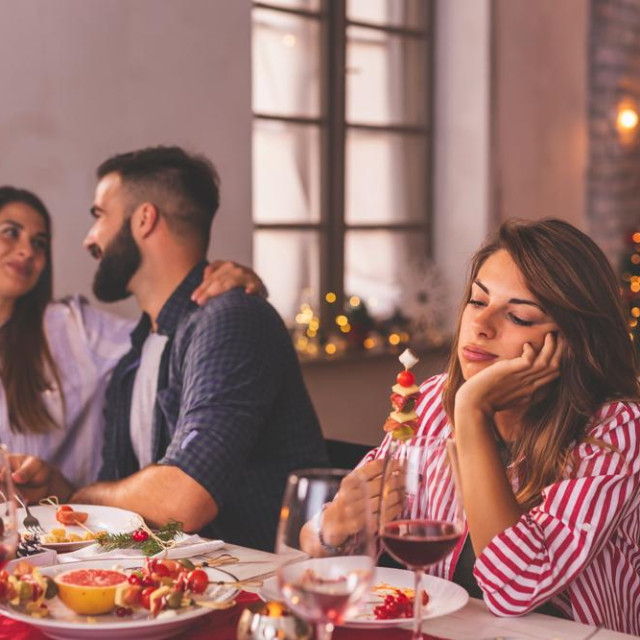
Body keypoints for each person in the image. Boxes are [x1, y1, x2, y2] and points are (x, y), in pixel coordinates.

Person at [306, 219, 640, 634]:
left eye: (518, 316)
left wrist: (471, 411)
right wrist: (335, 529)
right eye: (478, 302)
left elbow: (515, 589)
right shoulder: (429, 401)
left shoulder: (615, 430)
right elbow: (320, 541)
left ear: (571, 341)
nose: (482, 326)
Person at [52, 145, 327, 551]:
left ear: (144, 219)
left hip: (261, 592)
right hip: (176, 582)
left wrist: (82, 497)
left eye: (99, 216)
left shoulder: (232, 319)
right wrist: (70, 492)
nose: (89, 239)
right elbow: (122, 491)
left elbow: (183, 500)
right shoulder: (139, 344)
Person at [0, 185, 268, 494]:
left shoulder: (72, 327)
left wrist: (237, 282)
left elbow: (171, 331)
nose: (27, 251)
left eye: (39, 243)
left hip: (54, 527)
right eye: (10, 232)